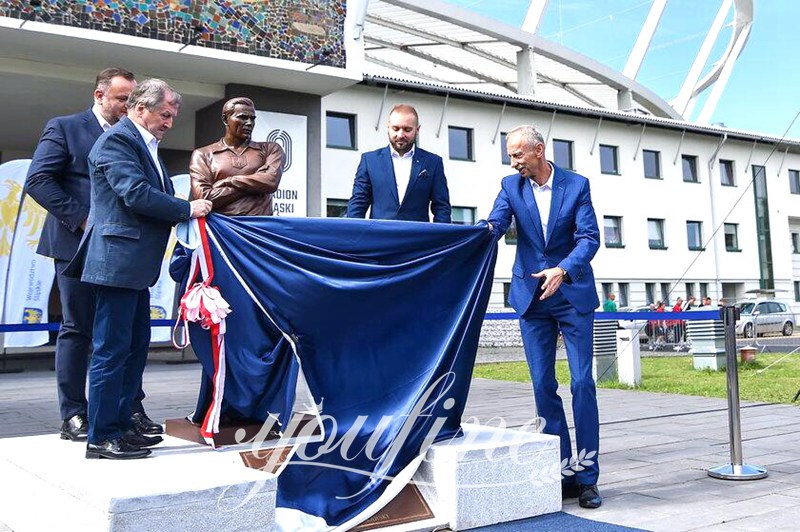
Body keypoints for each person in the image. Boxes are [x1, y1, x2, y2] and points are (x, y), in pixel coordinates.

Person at [65, 79, 212, 459]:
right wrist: (187, 209)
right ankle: (101, 436)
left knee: (133, 349)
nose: (169, 123)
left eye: (173, 117)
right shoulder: (117, 141)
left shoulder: (144, 144)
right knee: (112, 351)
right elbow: (136, 194)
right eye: (165, 115)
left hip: (133, 268)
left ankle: (123, 426)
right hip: (116, 264)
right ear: (140, 108)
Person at [24, 67, 163, 442]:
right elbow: (38, 181)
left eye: (132, 99)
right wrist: (83, 220)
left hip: (123, 252)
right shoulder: (66, 127)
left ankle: (128, 409)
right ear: (99, 95)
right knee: (78, 329)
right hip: (76, 246)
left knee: (128, 333)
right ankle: (74, 414)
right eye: (122, 99)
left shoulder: (139, 137)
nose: (128, 105)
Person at [486, 125, 602, 509]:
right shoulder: (510, 186)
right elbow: (495, 225)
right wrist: (466, 239)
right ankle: (564, 472)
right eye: (509, 154)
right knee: (541, 388)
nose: (512, 161)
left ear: (539, 150)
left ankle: (588, 477)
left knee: (582, 383)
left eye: (518, 154)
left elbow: (589, 238)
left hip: (571, 295)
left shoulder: (577, 184)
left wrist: (563, 269)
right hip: (532, 300)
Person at [346, 104, 451, 223]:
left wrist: (441, 239)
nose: (400, 135)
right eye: (395, 129)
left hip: (419, 239)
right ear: (388, 127)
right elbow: (358, 203)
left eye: (407, 129)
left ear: (417, 130)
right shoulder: (369, 161)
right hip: (380, 239)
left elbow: (442, 207)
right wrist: (353, 236)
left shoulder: (433, 162)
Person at [189, 97, 284, 215]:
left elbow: (270, 181)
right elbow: (204, 198)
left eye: (252, 118)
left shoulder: (270, 149)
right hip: (221, 228)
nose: (249, 123)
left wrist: (230, 181)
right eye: (243, 117)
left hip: (260, 228)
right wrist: (256, 182)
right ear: (225, 119)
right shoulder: (203, 154)